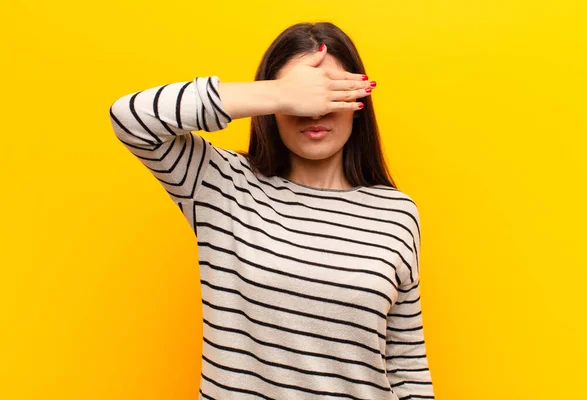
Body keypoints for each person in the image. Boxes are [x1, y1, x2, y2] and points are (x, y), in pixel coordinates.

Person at [109, 21, 434, 400]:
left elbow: (406, 362)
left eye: (330, 92)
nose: (315, 111)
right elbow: (131, 118)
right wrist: (278, 93)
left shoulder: (396, 213)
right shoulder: (221, 185)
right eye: (302, 95)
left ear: (358, 101)